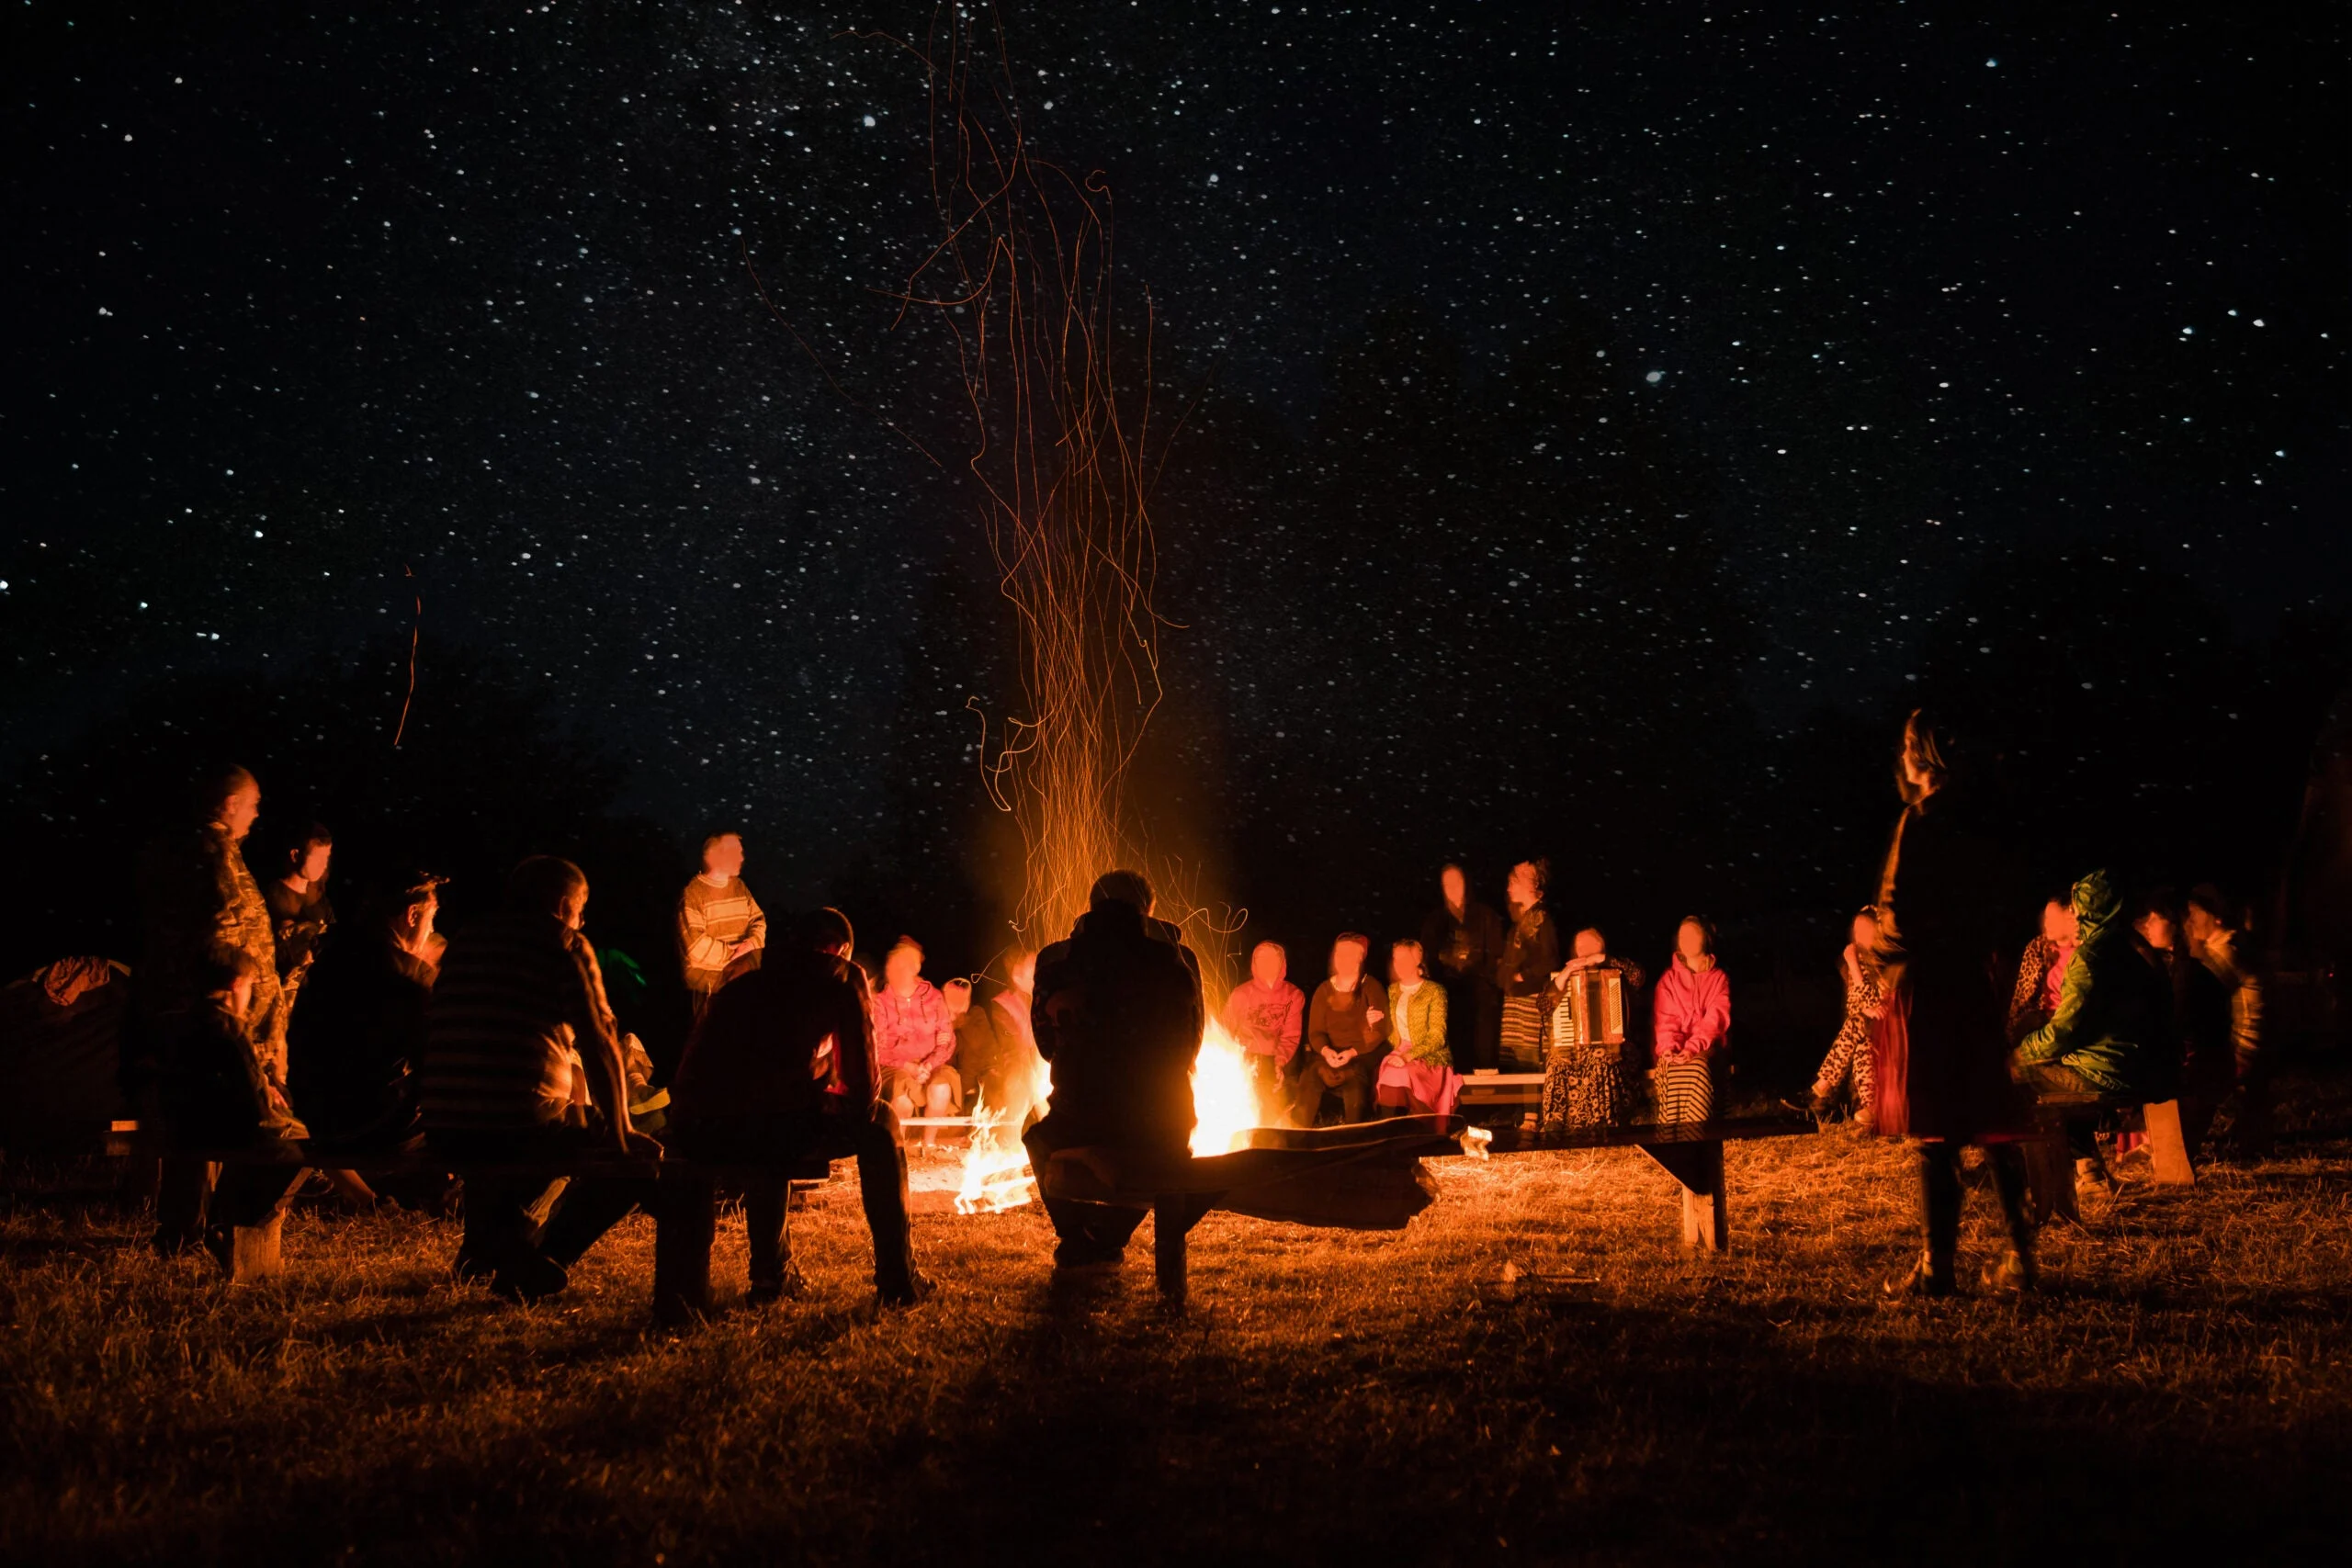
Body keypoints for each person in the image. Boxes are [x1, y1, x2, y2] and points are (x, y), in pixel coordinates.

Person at [422, 856, 662, 1303]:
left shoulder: (466, 941)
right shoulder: (563, 943)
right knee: (636, 1162)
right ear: (564, 902)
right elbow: (598, 1041)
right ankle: (541, 1261)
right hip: (518, 1126)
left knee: (504, 1129)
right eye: (581, 906)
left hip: (443, 1126)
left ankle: (488, 1247)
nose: (583, 918)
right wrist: (623, 1131)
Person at [669, 907, 925, 1306]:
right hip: (765, 1124)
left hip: (698, 1125)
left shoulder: (741, 970)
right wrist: (831, 1092)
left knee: (772, 1118)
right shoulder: (840, 973)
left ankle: (771, 1277)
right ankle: (898, 1280)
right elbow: (861, 1088)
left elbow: (707, 1059)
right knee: (882, 1122)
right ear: (838, 948)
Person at [1869, 710, 2037, 1295]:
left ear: (1923, 754)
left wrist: (1881, 952)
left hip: (1932, 988)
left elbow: (1899, 913)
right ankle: (2022, 1258)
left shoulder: (1923, 821)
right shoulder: (1989, 821)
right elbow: (2007, 907)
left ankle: (1938, 1268)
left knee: (1937, 1133)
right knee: (1991, 1125)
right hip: (1973, 981)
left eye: (1909, 744)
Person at [135, 764, 289, 1254]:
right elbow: (222, 935)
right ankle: (209, 1229)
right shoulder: (210, 858)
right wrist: (238, 1013)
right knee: (215, 1128)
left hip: (223, 1022)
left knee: (201, 1129)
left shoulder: (211, 855)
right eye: (254, 803)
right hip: (222, 1024)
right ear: (229, 805)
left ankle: (190, 1230)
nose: (258, 813)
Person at [1023, 870, 1210, 1268]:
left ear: (1091, 907)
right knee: (1174, 1149)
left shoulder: (1056, 962)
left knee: (1034, 1130)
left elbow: (1045, 1048)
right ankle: (1108, 1234)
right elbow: (1190, 1048)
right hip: (1159, 1124)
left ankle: (1077, 1233)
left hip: (1078, 1118)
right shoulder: (1178, 959)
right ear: (1148, 910)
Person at [2014, 869, 2167, 1199]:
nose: (2074, 915)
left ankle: (2045, 1188)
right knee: (2059, 1079)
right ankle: (2091, 1172)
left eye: (2077, 909)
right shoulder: (2132, 950)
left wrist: (2021, 1051)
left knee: (2020, 1079)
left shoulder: (2091, 958)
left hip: (2108, 1071)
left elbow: (2064, 1029)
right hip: (2139, 1065)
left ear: (2087, 910)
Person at [159, 945, 309, 1274]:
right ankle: (232, 1221)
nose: (250, 995)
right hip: (223, 1129)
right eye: (250, 986)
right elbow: (251, 1102)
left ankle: (209, 1223)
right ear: (234, 984)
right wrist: (272, 1108)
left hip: (183, 1124)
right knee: (298, 1147)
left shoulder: (179, 1024)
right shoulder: (229, 1031)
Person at [288, 871, 444, 1152]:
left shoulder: (330, 960)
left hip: (316, 1118)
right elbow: (435, 1060)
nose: (431, 930)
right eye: (431, 918)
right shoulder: (408, 975)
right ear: (412, 915)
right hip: (373, 1125)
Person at [2186, 884, 2270, 1154]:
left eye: (2197, 914)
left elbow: (2205, 995)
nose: (2192, 921)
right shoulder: (2226, 948)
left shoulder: (2225, 953)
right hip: (2246, 1037)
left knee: (2206, 1091)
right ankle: (2251, 1138)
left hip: (2244, 1039)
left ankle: (2189, 1144)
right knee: (2246, 1096)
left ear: (2217, 917)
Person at [1541, 926, 1644, 1133]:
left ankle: (1602, 1125)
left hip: (1617, 1048)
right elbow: (1544, 1005)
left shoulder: (1618, 972)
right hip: (1574, 1046)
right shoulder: (1565, 977)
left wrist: (1602, 959)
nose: (1587, 952)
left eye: (1592, 946)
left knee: (1600, 1058)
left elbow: (1638, 976)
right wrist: (1566, 973)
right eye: (1582, 947)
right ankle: (1557, 1126)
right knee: (1557, 1060)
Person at [1289, 933, 1391, 1126]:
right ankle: (1298, 1135)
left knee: (1355, 1082)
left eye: (1349, 955)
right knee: (1312, 1077)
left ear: (1359, 959)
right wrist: (1327, 1052)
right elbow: (1316, 1033)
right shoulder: (1324, 990)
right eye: (1340, 954)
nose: (1344, 960)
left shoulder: (1371, 988)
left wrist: (1352, 1052)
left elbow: (1379, 1032)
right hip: (1330, 1053)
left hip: (1361, 1054)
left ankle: (1354, 1135)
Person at [872, 938, 961, 1147]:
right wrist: (908, 1066)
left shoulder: (933, 998)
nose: (894, 970)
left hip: (931, 1064)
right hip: (896, 1067)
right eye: (892, 965)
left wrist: (929, 1064)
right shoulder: (881, 1002)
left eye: (902, 965)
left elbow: (947, 1039)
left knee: (941, 1088)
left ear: (914, 968)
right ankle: (897, 1148)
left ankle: (927, 1145)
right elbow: (878, 1046)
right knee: (901, 1095)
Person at [1420, 864, 1506, 1072]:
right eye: (1447, 883)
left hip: (1482, 998)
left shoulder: (1486, 916)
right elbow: (1427, 960)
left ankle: (1488, 1088)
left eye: (1457, 882)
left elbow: (1498, 954)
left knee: (1484, 1044)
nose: (1453, 888)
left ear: (1466, 884)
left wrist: (1475, 964)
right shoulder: (1434, 922)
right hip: (1450, 996)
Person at [676, 832, 767, 1021]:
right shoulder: (693, 894)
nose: (742, 858)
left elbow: (758, 921)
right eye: (736, 852)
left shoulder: (739, 887)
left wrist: (750, 944)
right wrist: (737, 957)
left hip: (743, 987)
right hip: (711, 992)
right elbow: (694, 948)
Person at [1808, 908, 1885, 1128]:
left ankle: (1824, 1083)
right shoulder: (1857, 964)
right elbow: (1855, 1005)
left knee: (1858, 1023)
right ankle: (1870, 1108)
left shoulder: (1885, 963)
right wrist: (1854, 967)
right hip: (1867, 1027)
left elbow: (1878, 1005)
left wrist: (1853, 966)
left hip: (1891, 1022)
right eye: (1857, 930)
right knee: (1861, 1040)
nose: (1860, 935)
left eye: (1866, 929)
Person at [956, 950, 1046, 1131]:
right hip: (1008, 1066)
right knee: (1020, 1079)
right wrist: (1035, 1070)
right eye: (1032, 965)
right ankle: (1012, 1138)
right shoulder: (1003, 1004)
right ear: (1017, 975)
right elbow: (1012, 1049)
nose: (1039, 968)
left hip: (1039, 1061)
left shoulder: (1043, 995)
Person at [1651, 918, 1730, 1124]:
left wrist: (1692, 1049)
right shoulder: (1668, 980)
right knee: (1670, 1068)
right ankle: (1673, 1134)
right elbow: (1666, 1020)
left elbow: (1715, 1021)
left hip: (1707, 1047)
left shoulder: (1718, 978)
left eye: (1694, 934)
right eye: (1683, 936)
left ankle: (1699, 1130)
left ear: (1706, 938)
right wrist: (1670, 1049)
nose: (1688, 940)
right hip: (1676, 1049)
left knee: (1697, 1068)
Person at [1221, 941, 1306, 1121]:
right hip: (1246, 1053)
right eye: (1262, 959)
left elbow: (1291, 1035)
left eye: (1272, 959)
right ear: (1254, 964)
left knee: (1269, 1097)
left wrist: (1279, 1062)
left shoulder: (1293, 995)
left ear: (1281, 964)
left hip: (1275, 1056)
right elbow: (1225, 1030)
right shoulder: (1241, 994)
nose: (1267, 964)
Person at [1376, 939, 1459, 1118]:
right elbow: (1391, 1032)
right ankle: (1388, 1129)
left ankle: (1424, 1126)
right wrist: (1375, 1021)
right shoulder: (1392, 991)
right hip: (1400, 1051)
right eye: (1396, 960)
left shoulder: (1434, 991)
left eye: (1404, 959)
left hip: (1429, 1056)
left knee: (1402, 1072)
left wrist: (1407, 1057)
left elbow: (1438, 1037)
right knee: (1390, 1071)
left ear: (1416, 961)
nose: (1399, 965)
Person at [1494, 860, 1560, 1073]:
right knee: (1516, 1061)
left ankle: (1532, 1104)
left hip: (1530, 999)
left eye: (1514, 882)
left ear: (1530, 885)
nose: (1508, 888)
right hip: (1516, 998)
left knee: (1529, 1060)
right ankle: (1522, 1105)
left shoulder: (1541, 920)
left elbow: (1551, 959)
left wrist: (1523, 975)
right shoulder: (1521, 920)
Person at [263, 821, 336, 1004]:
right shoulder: (272, 898)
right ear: (295, 855)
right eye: (317, 857)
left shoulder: (319, 900)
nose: (323, 865)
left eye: (326, 858)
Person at [2006, 891, 2080, 1045]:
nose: (2047, 924)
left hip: (2070, 1020)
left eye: (2054, 919)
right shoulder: (2039, 947)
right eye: (2047, 918)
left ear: (2069, 917)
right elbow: (2022, 998)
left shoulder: (2084, 953)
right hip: (2042, 1019)